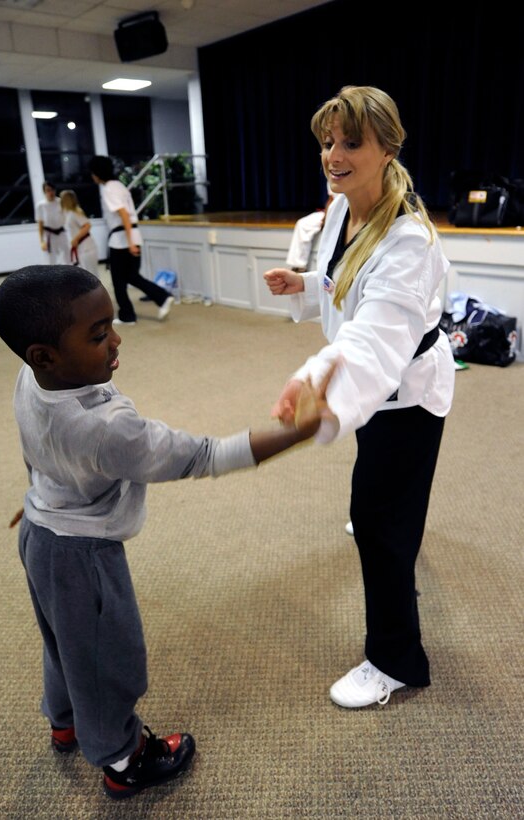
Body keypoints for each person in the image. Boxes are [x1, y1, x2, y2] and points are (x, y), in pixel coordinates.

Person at [0, 264, 334, 800]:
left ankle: (64, 722)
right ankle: (124, 761)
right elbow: (202, 456)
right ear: (45, 354)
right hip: (84, 556)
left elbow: (35, 445)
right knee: (110, 660)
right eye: (99, 333)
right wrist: (297, 433)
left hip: (39, 533)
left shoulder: (29, 378)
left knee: (65, 643)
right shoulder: (108, 430)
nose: (117, 339)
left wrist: (37, 491)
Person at [264, 85, 455, 709]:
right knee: (383, 499)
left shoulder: (410, 243)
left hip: (405, 393)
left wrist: (320, 386)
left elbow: (376, 339)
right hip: (376, 393)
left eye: (350, 142)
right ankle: (396, 519)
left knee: (378, 525)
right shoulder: (343, 208)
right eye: (327, 141)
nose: (333, 154)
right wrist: (301, 282)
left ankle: (394, 661)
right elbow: (339, 279)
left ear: (387, 148)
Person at [89, 155, 174, 326]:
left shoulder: (108, 189)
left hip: (122, 239)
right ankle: (161, 297)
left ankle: (129, 315)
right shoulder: (119, 185)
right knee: (131, 276)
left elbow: (123, 214)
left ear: (97, 173)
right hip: (131, 235)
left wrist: (130, 242)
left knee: (118, 280)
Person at [59, 189, 99, 274]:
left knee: (91, 275)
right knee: (85, 275)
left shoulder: (76, 212)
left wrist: (75, 239)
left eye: (62, 198)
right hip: (81, 248)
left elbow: (87, 226)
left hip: (87, 248)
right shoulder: (68, 213)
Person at [35, 181, 68, 264]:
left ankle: (68, 275)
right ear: (44, 192)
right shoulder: (40, 205)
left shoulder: (61, 202)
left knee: (67, 256)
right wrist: (42, 241)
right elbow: (40, 224)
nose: (51, 192)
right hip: (49, 234)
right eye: (48, 190)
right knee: (51, 260)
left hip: (61, 233)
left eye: (52, 190)